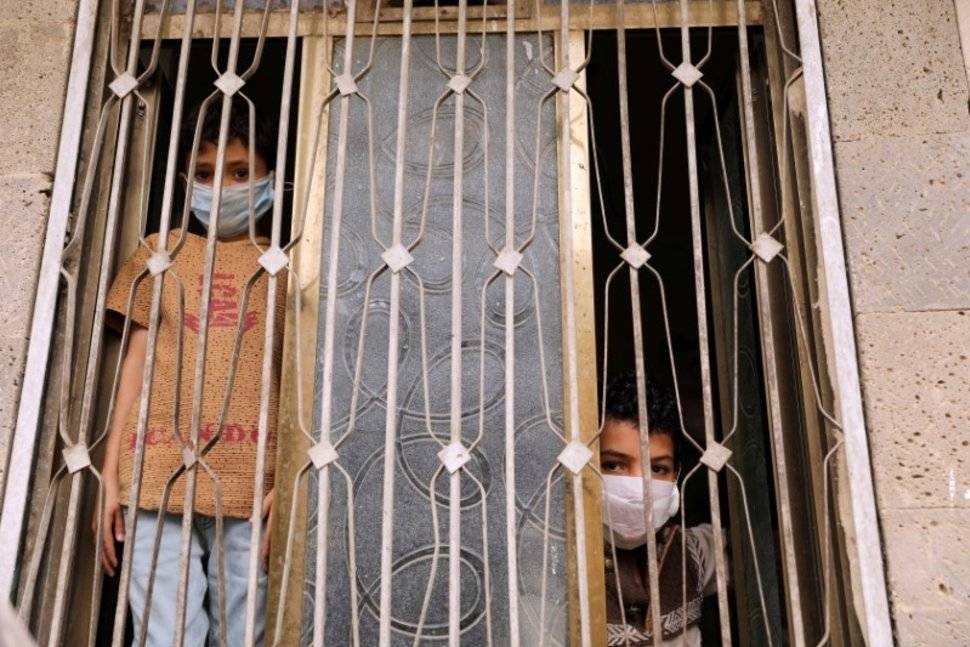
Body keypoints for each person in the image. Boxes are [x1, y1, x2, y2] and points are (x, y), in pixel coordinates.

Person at [96, 101, 284, 646]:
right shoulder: (160, 254)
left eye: (241, 172)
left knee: (247, 635)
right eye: (205, 174)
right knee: (164, 636)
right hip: (155, 473)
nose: (221, 186)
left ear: (273, 178)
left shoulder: (290, 265)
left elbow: (306, 377)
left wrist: (295, 475)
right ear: (184, 180)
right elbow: (135, 364)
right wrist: (110, 475)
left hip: (254, 481)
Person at [599, 371, 721, 646]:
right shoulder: (552, 570)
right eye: (614, 465)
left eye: (658, 469)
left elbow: (764, 548)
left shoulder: (692, 552)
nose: (639, 487)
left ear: (677, 475)